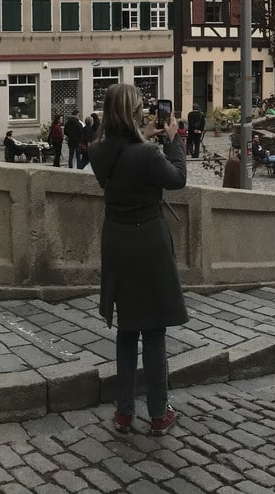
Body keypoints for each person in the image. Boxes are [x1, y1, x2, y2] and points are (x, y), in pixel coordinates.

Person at [89, 83, 186, 437]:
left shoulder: (98, 150)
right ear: (133, 112)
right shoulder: (147, 155)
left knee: (127, 328)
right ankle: (159, 414)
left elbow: (120, 158)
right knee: (154, 329)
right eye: (142, 108)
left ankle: (124, 413)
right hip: (148, 240)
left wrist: (142, 137)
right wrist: (174, 141)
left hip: (116, 238)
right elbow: (177, 179)